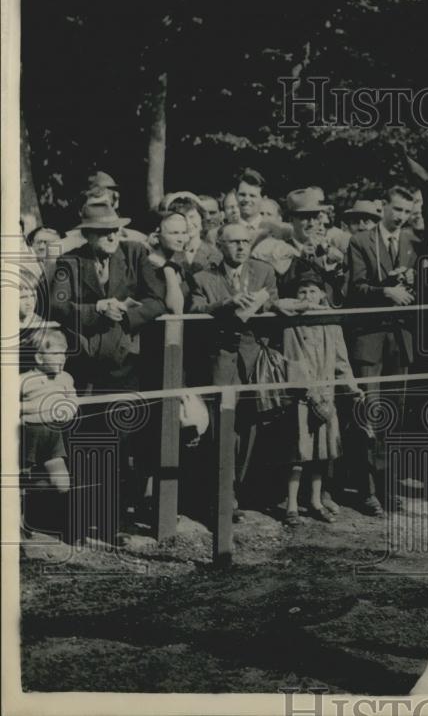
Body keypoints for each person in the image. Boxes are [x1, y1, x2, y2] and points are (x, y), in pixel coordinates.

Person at [50, 202, 166, 532]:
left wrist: (129, 317)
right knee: (83, 441)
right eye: (103, 231)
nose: (112, 235)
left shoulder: (134, 254)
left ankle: (113, 519)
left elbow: (157, 299)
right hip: (84, 367)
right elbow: (58, 305)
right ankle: (83, 518)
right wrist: (96, 308)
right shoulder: (69, 262)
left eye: (115, 229)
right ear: (88, 234)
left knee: (120, 441)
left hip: (124, 364)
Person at [190, 223, 299, 520]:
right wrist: (226, 303)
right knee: (221, 426)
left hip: (253, 358)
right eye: (233, 242)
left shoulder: (264, 272)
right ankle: (221, 496)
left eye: (245, 242)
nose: (240, 247)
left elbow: (272, 301)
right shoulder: (203, 277)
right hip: (220, 359)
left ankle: (238, 488)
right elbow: (196, 310)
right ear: (220, 246)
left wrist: (278, 305)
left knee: (250, 426)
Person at [345, 186, 420, 515]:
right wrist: (385, 293)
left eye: (406, 211)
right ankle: (367, 491)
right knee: (369, 415)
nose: (401, 216)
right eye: (396, 209)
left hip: (400, 340)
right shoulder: (361, 241)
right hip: (370, 339)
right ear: (383, 207)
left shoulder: (413, 242)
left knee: (395, 416)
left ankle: (389, 485)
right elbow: (356, 288)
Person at [280, 270, 365, 527]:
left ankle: (316, 500)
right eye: (302, 292)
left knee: (322, 452)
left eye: (313, 291)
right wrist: (308, 391)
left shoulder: (332, 324)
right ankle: (292, 504)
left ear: (322, 295)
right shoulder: (291, 325)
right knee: (299, 452)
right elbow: (291, 359)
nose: (308, 296)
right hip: (303, 397)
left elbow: (342, 361)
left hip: (327, 396)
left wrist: (353, 387)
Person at [20, 328, 78, 538]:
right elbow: (10, 405)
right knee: (22, 481)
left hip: (53, 438)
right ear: (39, 357)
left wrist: (67, 411)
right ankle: (19, 525)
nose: (62, 358)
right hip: (29, 436)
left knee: (62, 482)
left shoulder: (66, 378)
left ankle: (63, 527)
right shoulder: (24, 380)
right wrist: (34, 408)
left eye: (64, 353)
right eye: (56, 353)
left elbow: (73, 401)